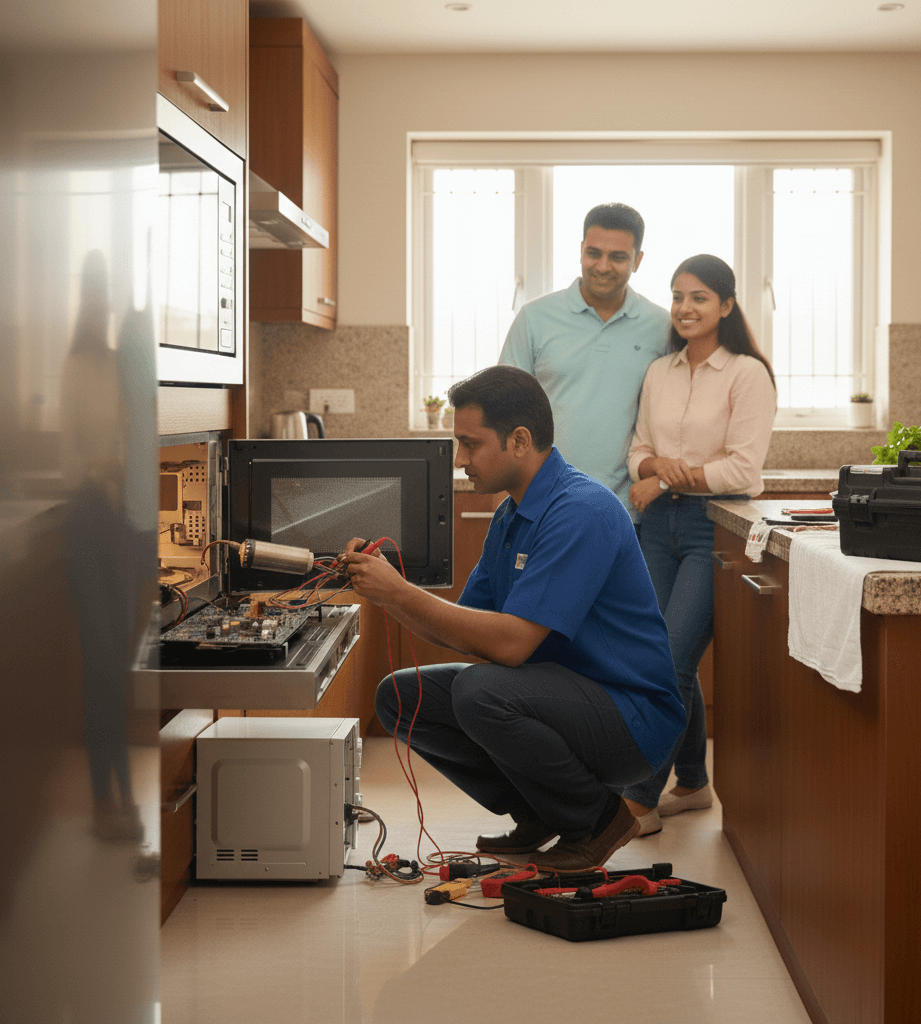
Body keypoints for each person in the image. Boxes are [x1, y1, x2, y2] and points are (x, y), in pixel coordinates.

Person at [339, 365, 684, 871]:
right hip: (560, 696)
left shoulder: (581, 510)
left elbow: (510, 646)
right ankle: (541, 812)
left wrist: (400, 592)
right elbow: (465, 628)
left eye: (470, 444)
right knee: (401, 697)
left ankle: (597, 821)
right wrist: (385, 590)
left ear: (519, 440)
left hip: (631, 715)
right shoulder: (511, 517)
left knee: (480, 691)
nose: (460, 460)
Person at [622, 254, 777, 835]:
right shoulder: (659, 372)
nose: (685, 308)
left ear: (727, 306)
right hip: (656, 527)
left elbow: (742, 469)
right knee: (657, 654)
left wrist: (663, 478)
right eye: (677, 296)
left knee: (670, 660)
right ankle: (692, 783)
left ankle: (639, 799)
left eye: (700, 298)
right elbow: (637, 450)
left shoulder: (747, 374)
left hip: (714, 527)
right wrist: (653, 468)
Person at [499, 202, 670, 521]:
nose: (603, 266)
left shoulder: (661, 326)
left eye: (618, 257)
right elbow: (504, 413)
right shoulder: (535, 318)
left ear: (638, 261)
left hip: (626, 510)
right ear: (580, 250)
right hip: (543, 504)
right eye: (594, 253)